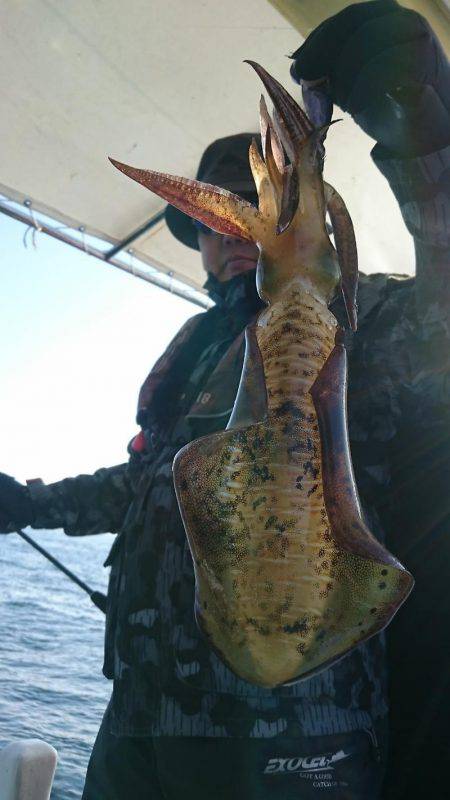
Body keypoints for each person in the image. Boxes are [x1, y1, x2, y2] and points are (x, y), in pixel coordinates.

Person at [0, 1, 449, 797]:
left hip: (292, 730)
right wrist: (21, 502)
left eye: (250, 210)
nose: (231, 234)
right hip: (143, 711)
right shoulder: (193, 351)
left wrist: (426, 136)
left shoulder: (367, 320)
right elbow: (152, 485)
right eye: (212, 220)